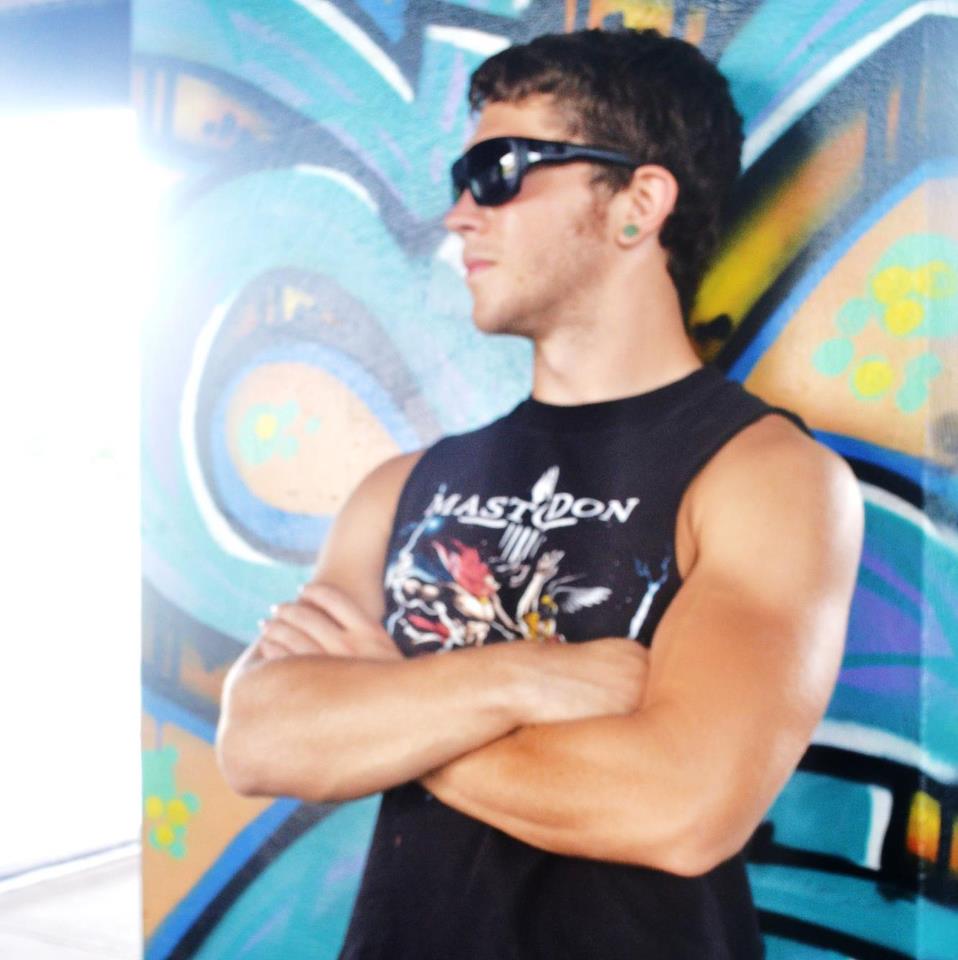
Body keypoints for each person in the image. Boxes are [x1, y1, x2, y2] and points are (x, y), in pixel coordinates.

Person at [216, 28, 863, 960]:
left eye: (500, 171)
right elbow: (260, 738)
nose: (458, 216)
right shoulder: (402, 487)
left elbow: (681, 806)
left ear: (638, 204)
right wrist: (524, 677)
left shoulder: (764, 476)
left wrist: (390, 706)